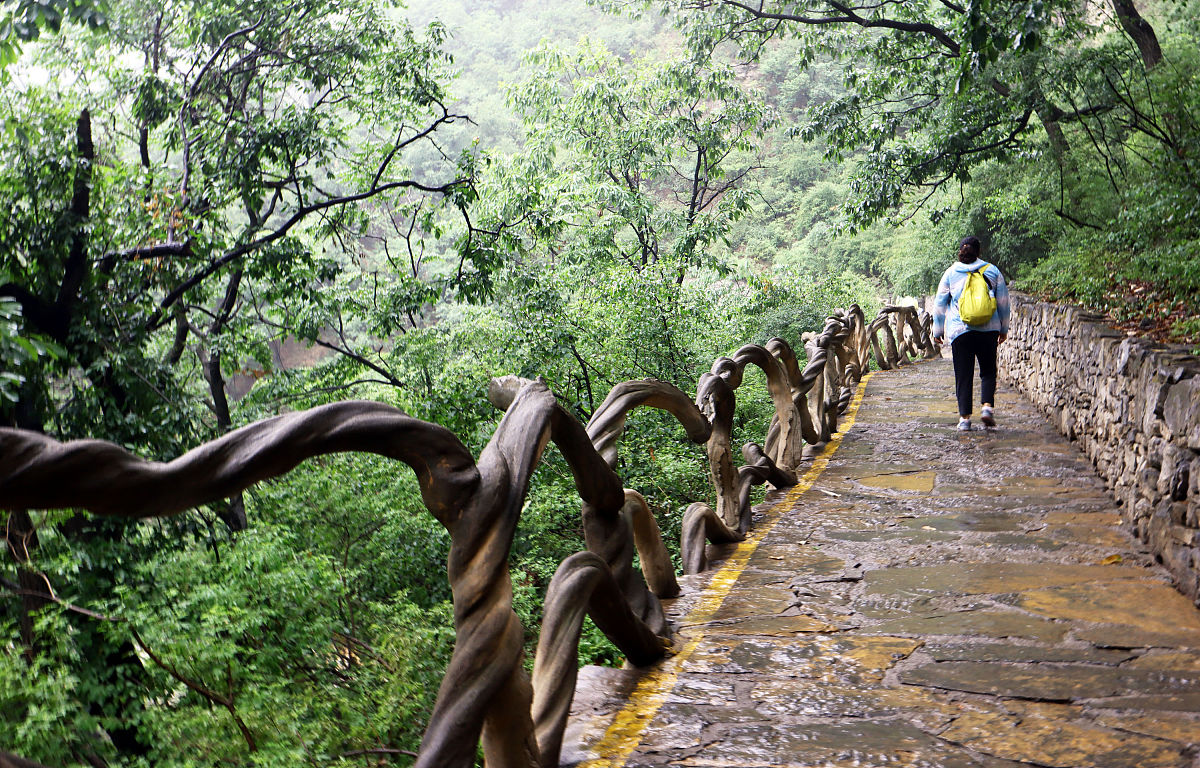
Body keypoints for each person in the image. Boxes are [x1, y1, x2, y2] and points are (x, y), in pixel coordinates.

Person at [931, 236, 1010, 431]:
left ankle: (965, 419)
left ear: (960, 251)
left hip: (960, 331)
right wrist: (1003, 328)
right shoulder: (992, 271)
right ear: (979, 252)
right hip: (988, 329)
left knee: (963, 375)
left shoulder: (951, 273)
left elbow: (940, 305)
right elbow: (1003, 303)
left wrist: (938, 330)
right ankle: (986, 408)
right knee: (988, 371)